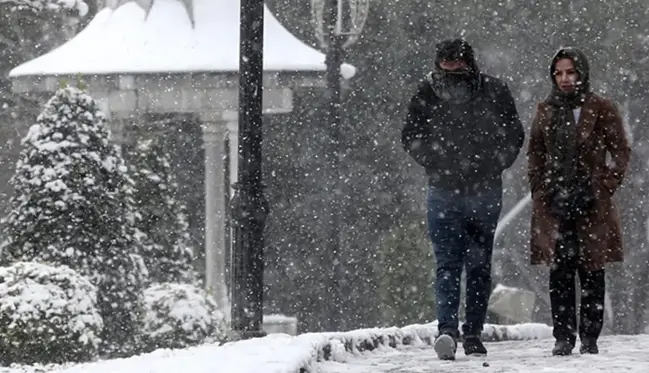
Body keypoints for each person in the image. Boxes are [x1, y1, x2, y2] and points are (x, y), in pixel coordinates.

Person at [401, 38, 525, 360]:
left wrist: (492, 163)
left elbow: (514, 134)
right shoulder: (427, 93)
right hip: (445, 190)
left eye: (458, 63)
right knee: (449, 264)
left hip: (482, 191)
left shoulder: (495, 91)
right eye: (447, 64)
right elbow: (411, 135)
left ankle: (471, 331)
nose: (452, 70)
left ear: (469, 63)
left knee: (478, 265)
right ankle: (448, 330)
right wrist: (437, 160)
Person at [527, 47, 631, 356]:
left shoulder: (601, 107)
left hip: (591, 202)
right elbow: (536, 153)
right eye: (559, 73)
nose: (565, 79)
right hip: (555, 202)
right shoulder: (546, 110)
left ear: (581, 73)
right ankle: (563, 336)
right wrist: (540, 188)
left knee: (592, 270)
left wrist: (604, 185)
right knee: (560, 271)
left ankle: (590, 337)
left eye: (570, 72)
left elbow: (621, 151)